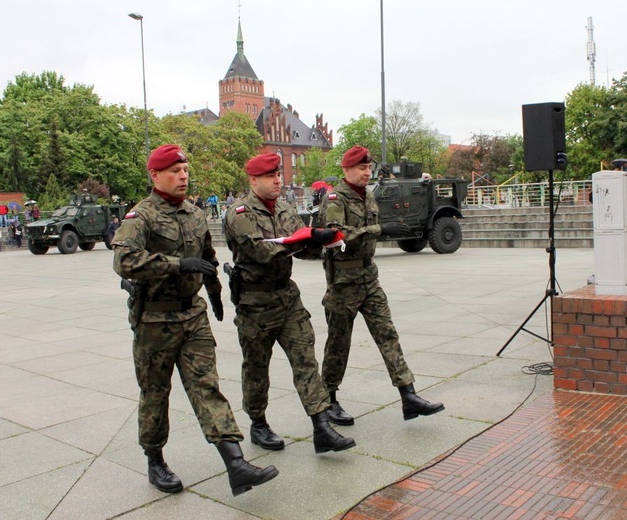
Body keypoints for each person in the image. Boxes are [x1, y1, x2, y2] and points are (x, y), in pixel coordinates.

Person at [112, 144, 277, 497]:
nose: (183, 176)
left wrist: (215, 292)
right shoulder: (140, 216)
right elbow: (124, 262)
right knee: (155, 394)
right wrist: (174, 265)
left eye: (185, 170)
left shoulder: (195, 213)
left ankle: (235, 465)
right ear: (155, 175)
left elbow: (207, 256)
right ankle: (155, 459)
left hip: (192, 314)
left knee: (207, 387)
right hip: (154, 321)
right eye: (174, 170)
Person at [224, 152, 355, 454]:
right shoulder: (240, 213)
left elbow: (302, 249)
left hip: (286, 296)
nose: (277, 181)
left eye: (279, 175)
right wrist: (307, 237)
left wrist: (327, 244)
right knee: (257, 367)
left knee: (305, 360)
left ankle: (322, 427)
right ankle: (258, 423)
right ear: (253, 180)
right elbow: (262, 252)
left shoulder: (285, 209)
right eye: (270, 176)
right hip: (255, 302)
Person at [318, 145, 445, 426]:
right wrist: (380, 230)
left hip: (368, 279)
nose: (366, 172)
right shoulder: (335, 199)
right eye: (361, 168)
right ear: (346, 170)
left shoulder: (370, 197)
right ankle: (328, 399)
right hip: (342, 282)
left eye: (368, 168)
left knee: (388, 335)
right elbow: (336, 235)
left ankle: (408, 396)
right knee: (339, 343)